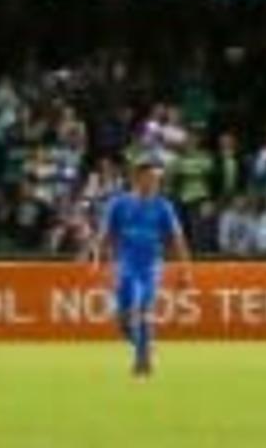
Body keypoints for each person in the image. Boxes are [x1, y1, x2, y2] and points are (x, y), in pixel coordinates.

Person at [90, 156, 193, 382]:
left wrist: (185, 269)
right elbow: (106, 234)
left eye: (156, 179)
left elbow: (177, 238)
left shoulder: (163, 206)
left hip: (150, 266)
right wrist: (99, 258)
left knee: (145, 310)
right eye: (149, 177)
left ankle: (141, 363)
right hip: (126, 266)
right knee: (124, 321)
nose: (154, 182)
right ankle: (144, 347)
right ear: (137, 178)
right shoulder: (118, 203)